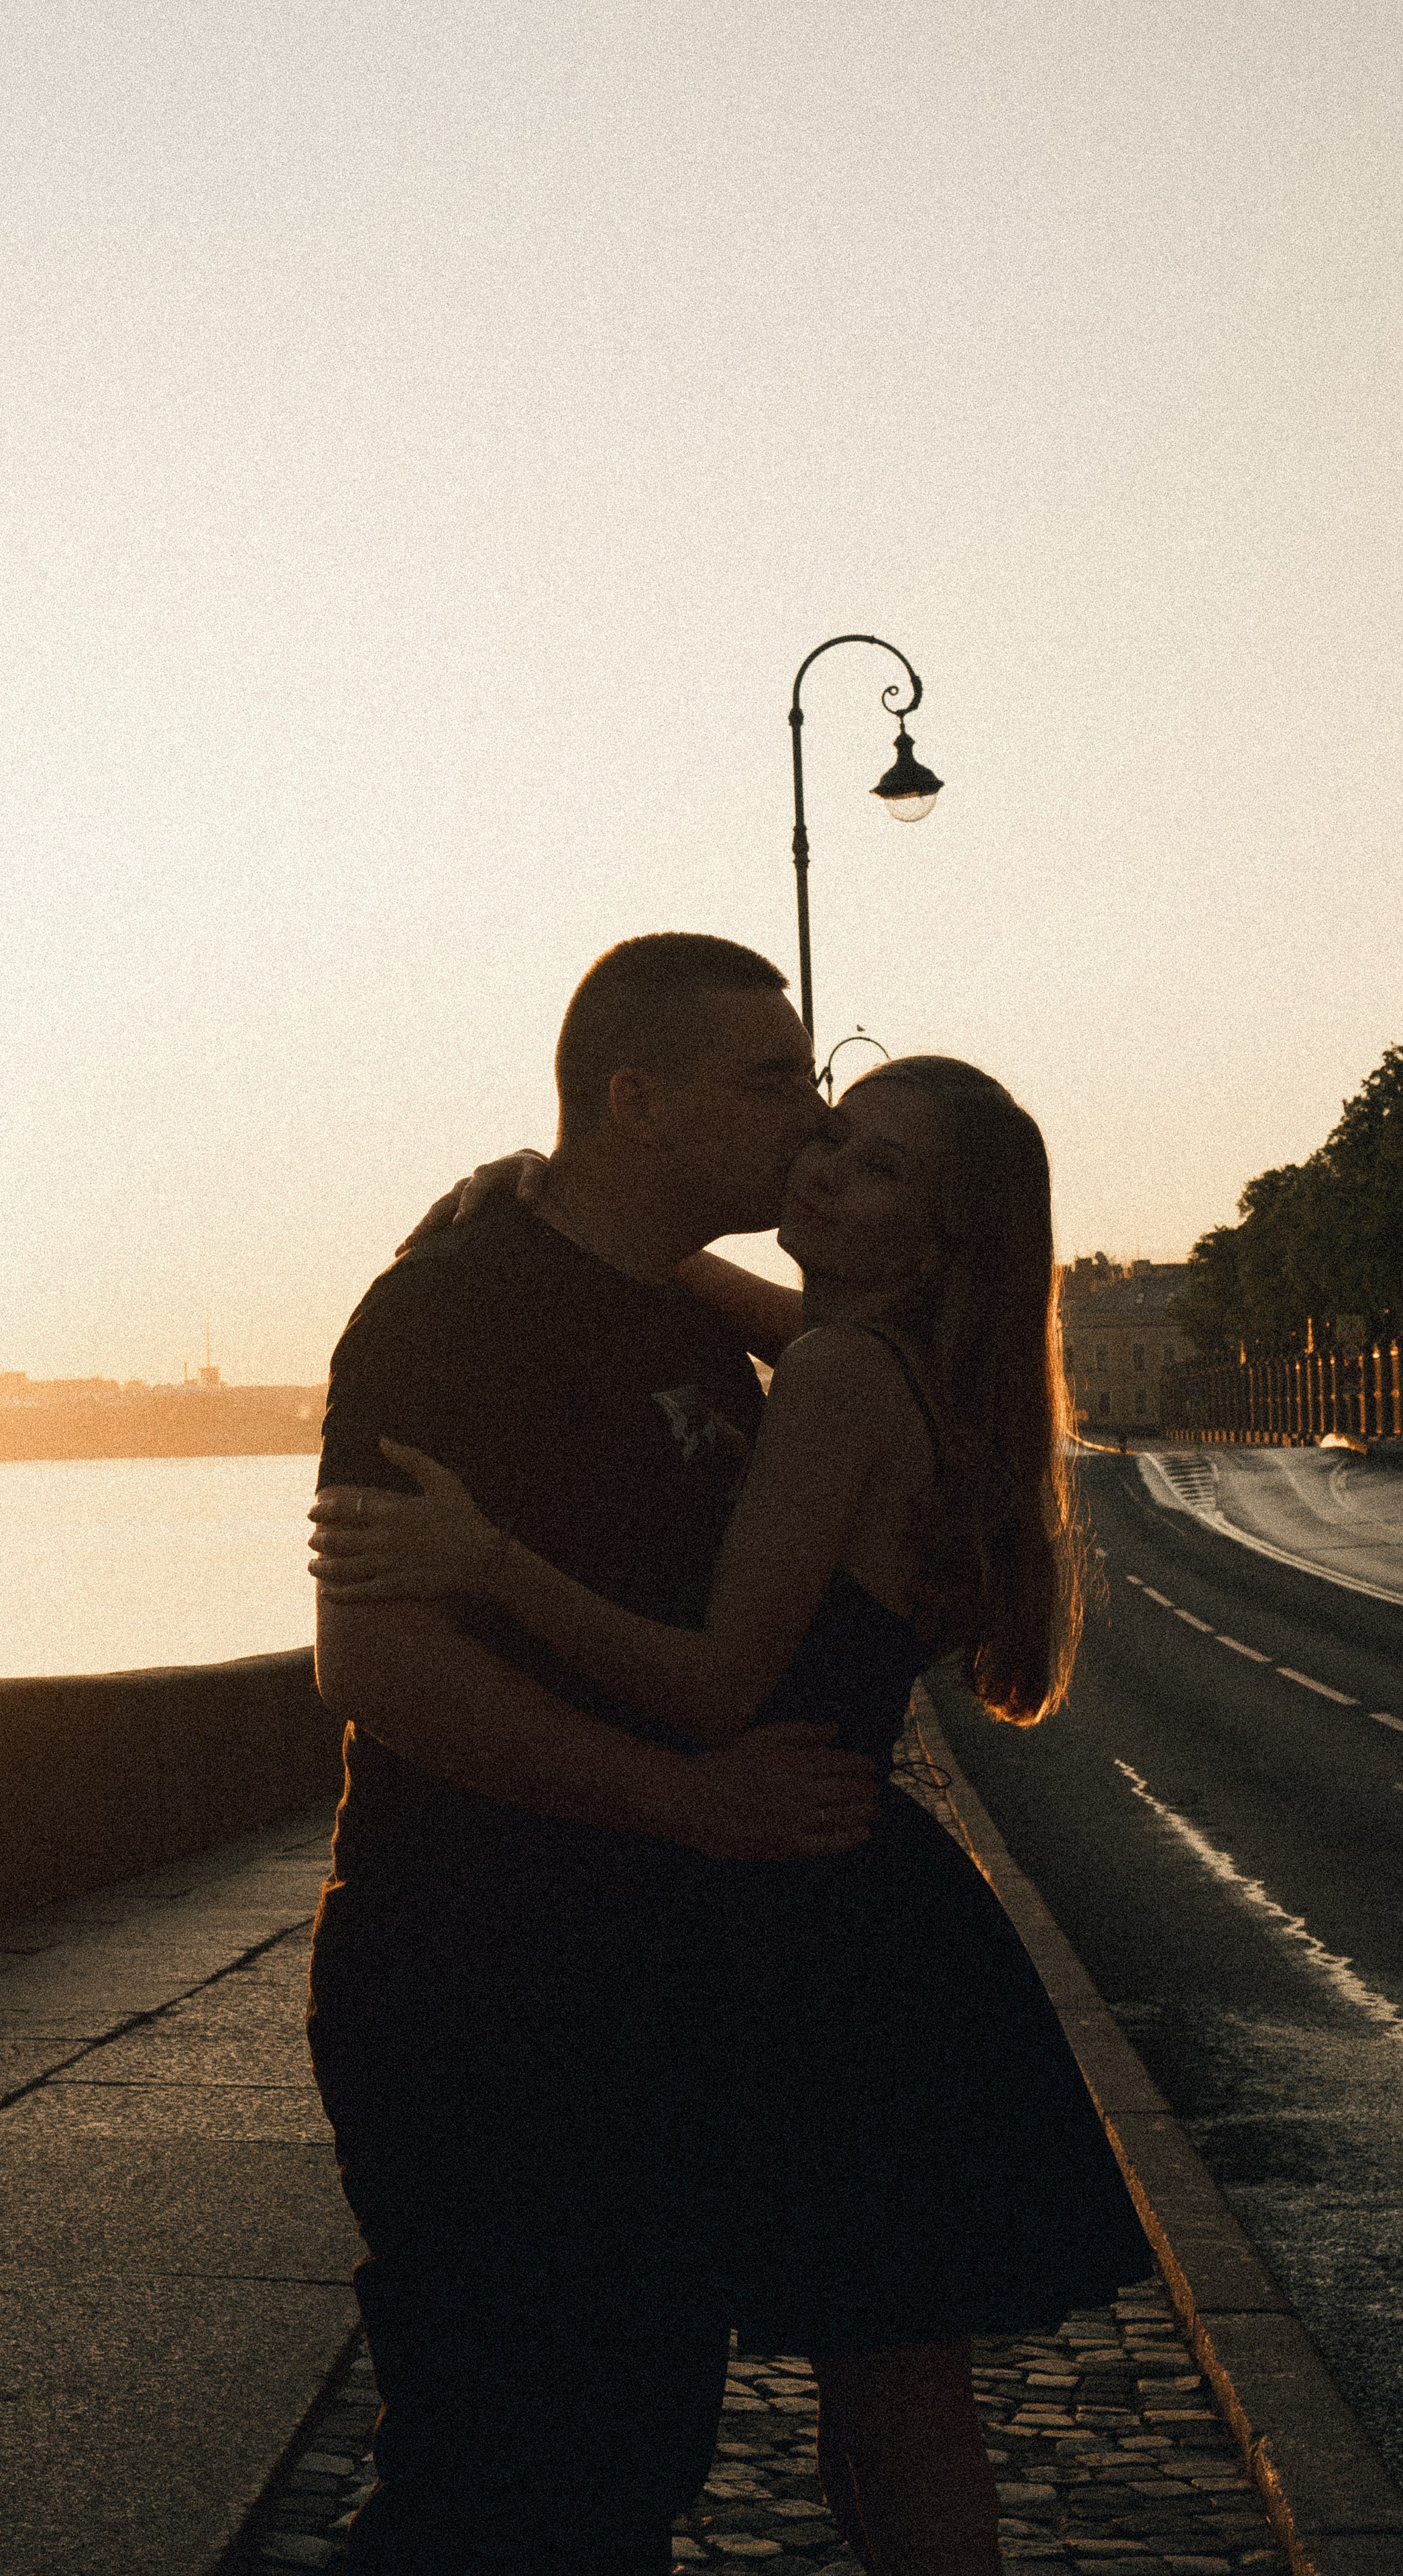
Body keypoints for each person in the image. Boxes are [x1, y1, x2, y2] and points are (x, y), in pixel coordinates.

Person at [313, 1051, 1153, 2576]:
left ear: (940, 1235)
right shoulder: (904, 1358)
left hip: (809, 1902)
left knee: (881, 2404)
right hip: (868, 1898)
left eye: (879, 1167)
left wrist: (485, 1558)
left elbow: (709, 1691)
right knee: (888, 2386)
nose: (824, 1168)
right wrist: (554, 1193)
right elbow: (730, 1299)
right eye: (829, 1132)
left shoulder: (839, 1379)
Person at [305, 932, 885, 2576]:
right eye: (769, 1079)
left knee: (627, 2461)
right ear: (632, 1099)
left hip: (654, 1989)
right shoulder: (451, 1311)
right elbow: (377, 1663)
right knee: (492, 2476)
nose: (808, 1114)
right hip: (478, 1981)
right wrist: (686, 1803)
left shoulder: (695, 1327)